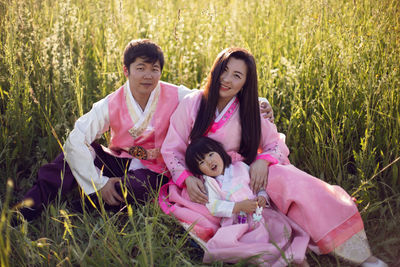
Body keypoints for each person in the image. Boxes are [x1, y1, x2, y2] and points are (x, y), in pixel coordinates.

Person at [160, 47, 387, 266]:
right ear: (215, 70)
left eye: (236, 75)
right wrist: (187, 179)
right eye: (224, 70)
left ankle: (354, 250)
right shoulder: (192, 104)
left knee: (292, 179)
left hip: (244, 174)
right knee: (215, 218)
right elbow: (172, 149)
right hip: (205, 182)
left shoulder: (251, 110)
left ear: (245, 83)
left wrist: (261, 161)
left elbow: (274, 144)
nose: (226, 79)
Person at [14, 39, 274, 223]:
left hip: (158, 171)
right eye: (140, 68)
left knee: (137, 189)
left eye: (154, 69)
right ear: (126, 71)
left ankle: (84, 204)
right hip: (122, 161)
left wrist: (260, 103)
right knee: (70, 155)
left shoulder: (179, 95)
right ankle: (28, 208)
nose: (148, 75)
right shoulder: (111, 103)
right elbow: (75, 139)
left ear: (161, 71)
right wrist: (99, 182)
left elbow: (214, 93)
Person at [185, 136, 310, 266]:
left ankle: (294, 257)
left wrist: (262, 196)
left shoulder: (240, 167)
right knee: (247, 244)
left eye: (211, 154)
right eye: (202, 162)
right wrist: (237, 207)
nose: (209, 161)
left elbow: (258, 185)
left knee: (279, 232)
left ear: (220, 152)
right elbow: (214, 207)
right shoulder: (210, 183)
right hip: (238, 221)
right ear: (198, 170)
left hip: (260, 213)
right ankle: (265, 259)